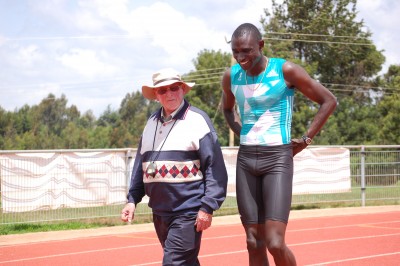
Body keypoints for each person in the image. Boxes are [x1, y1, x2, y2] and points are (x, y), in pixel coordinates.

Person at [221, 23, 337, 265]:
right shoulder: (231, 76)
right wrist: (243, 133)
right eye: (235, 51)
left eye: (246, 51)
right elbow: (228, 110)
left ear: (261, 46)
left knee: (274, 242)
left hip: (277, 160)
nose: (241, 57)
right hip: (246, 161)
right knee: (253, 241)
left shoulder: (286, 70)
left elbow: (328, 101)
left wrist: (306, 139)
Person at [121, 68, 228, 265]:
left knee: (174, 263)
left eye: (174, 88)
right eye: (163, 90)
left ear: (183, 90)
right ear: (156, 95)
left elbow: (215, 168)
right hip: (160, 211)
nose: (169, 94)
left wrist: (207, 207)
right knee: (186, 263)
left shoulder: (198, 120)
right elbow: (140, 165)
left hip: (188, 211)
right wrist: (132, 200)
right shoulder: (150, 123)